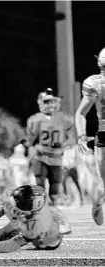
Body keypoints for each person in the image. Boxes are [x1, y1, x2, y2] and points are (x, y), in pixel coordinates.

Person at [0, 185, 72, 253]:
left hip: (47, 240)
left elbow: (9, 246)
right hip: (38, 216)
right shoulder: (11, 199)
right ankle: (19, 226)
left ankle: (36, 235)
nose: (13, 204)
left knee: (4, 237)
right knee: (0, 234)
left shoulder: (35, 226)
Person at [26, 88, 76, 205]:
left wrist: (64, 145)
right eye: (46, 102)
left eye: (51, 101)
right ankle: (42, 205)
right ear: (40, 103)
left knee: (55, 186)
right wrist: (32, 147)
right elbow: (29, 140)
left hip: (57, 157)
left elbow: (72, 138)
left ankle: (53, 206)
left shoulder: (65, 118)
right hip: (41, 156)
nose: (49, 105)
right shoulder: (35, 119)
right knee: (40, 182)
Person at [75, 47, 105, 226]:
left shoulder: (95, 83)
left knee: (103, 182)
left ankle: (97, 198)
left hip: (103, 133)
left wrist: (81, 136)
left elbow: (80, 113)